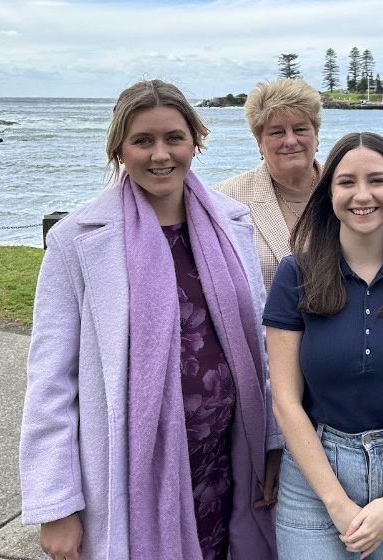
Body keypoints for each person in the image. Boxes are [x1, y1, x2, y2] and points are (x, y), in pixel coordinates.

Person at [19, 79, 282, 560]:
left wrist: (272, 444)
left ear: (195, 141)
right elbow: (50, 381)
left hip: (226, 464)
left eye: (173, 138)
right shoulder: (77, 241)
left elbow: (259, 347)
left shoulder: (233, 224)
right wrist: (56, 506)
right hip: (129, 472)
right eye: (143, 140)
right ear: (120, 148)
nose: (160, 154)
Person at [264, 132, 383, 559]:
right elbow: (285, 401)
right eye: (347, 181)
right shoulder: (295, 274)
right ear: (329, 191)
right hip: (315, 474)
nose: (362, 195)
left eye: (377, 180)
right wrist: (335, 502)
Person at [216, 78, 322, 291]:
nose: (291, 141)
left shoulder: (347, 187)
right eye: (277, 132)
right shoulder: (227, 199)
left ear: (316, 136)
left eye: (300, 129)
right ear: (259, 143)